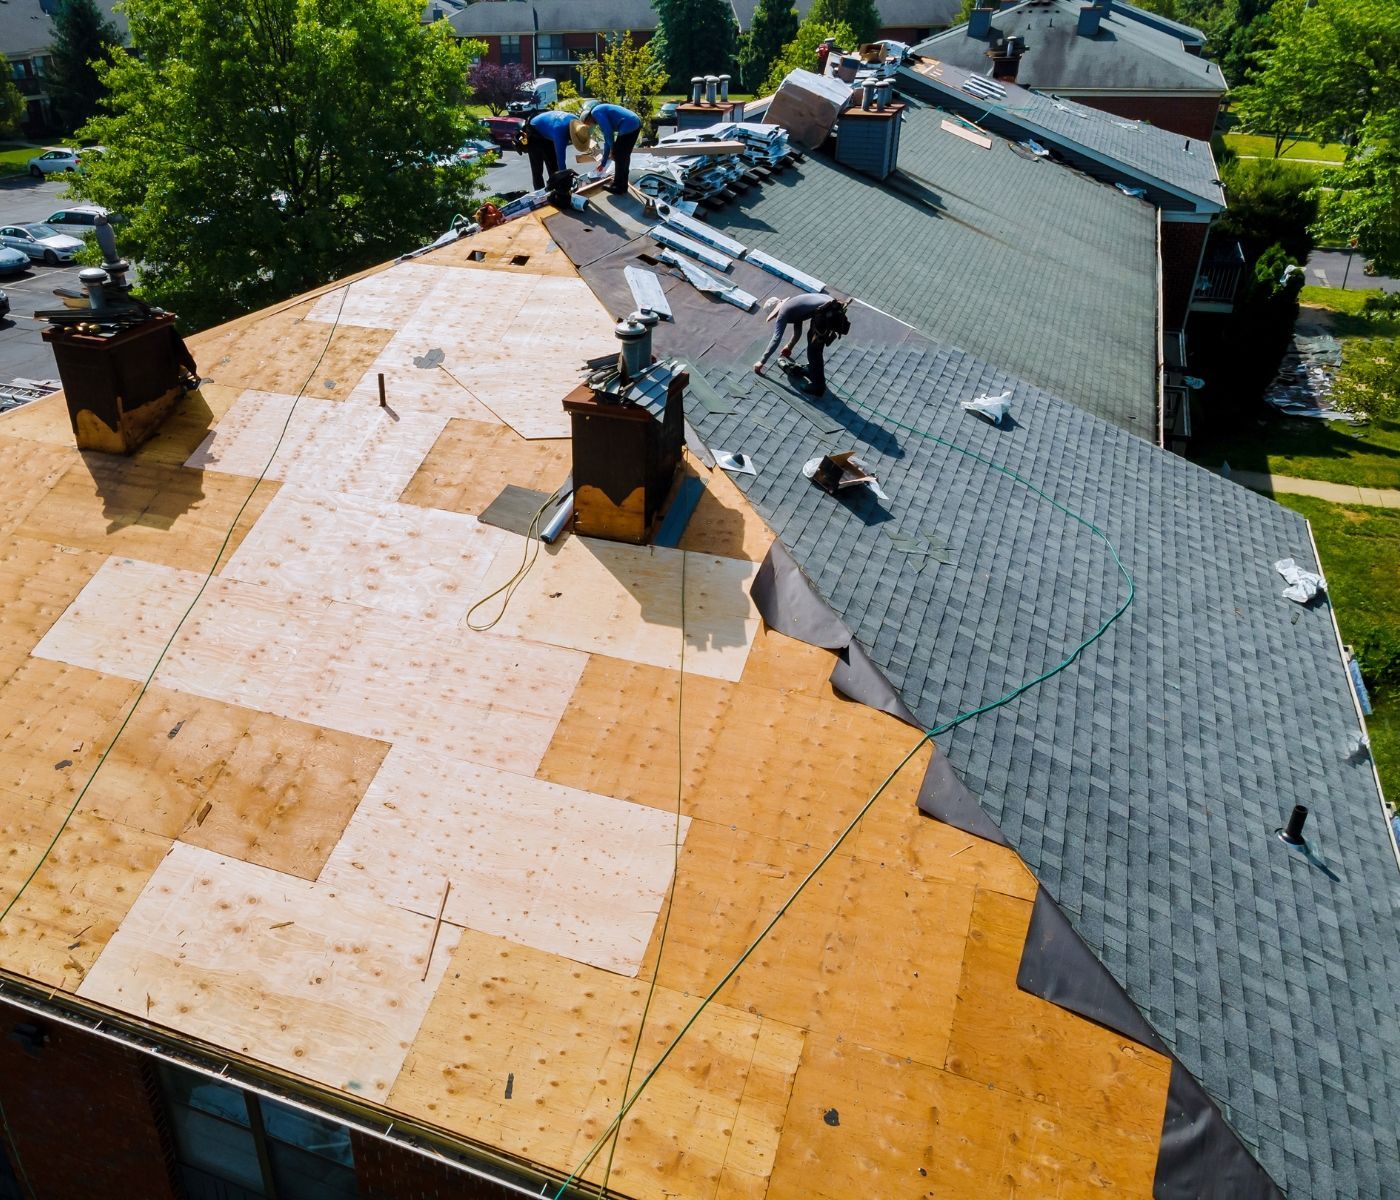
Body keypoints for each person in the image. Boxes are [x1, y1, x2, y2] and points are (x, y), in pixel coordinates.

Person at [753, 293, 851, 394]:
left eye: (774, 316)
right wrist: (789, 346)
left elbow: (776, 338)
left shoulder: (783, 313)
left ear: (775, 312)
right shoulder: (791, 307)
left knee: (814, 350)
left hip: (826, 312)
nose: (776, 318)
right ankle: (812, 370)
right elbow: (798, 331)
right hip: (831, 309)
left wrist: (762, 361)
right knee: (812, 339)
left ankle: (818, 386)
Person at [581, 102, 642, 196]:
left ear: (588, 118)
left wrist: (614, 149)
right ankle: (622, 186)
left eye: (587, 124)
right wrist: (603, 163)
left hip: (629, 124)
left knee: (619, 156)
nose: (589, 126)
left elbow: (609, 133)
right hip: (634, 123)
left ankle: (618, 187)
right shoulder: (600, 116)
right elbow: (607, 142)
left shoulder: (596, 112)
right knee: (624, 157)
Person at [524, 109, 577, 190]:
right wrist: (565, 182)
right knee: (537, 170)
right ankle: (540, 194)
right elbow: (561, 162)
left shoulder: (576, 122)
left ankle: (555, 189)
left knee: (553, 167)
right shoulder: (560, 133)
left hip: (548, 129)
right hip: (533, 130)